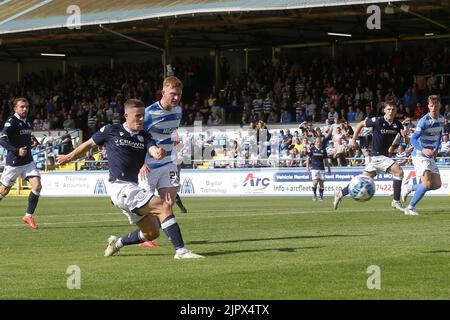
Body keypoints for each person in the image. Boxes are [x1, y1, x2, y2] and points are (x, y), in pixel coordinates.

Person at [56, 99, 203, 259]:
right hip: (121, 188)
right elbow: (88, 144)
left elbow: (152, 149)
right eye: (137, 116)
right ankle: (181, 251)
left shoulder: (144, 136)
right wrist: (69, 157)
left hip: (133, 188)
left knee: (152, 233)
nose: (141, 119)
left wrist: (158, 153)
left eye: (143, 116)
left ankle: (117, 243)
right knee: (164, 206)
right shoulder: (111, 130)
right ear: (126, 115)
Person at [139, 76, 195, 250]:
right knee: (147, 206)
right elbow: (138, 138)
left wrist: (174, 144)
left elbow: (171, 132)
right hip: (148, 165)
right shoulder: (149, 113)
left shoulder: (178, 111)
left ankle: (178, 246)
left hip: (168, 163)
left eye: (179, 94)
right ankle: (146, 236)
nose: (176, 98)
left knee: (168, 203)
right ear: (163, 92)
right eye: (172, 94)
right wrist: (140, 163)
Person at [333, 100, 409, 213]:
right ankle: (396, 201)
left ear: (396, 111)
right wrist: (353, 139)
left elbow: (407, 141)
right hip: (377, 156)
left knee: (363, 180)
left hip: (380, 158)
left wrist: (405, 136)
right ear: (384, 110)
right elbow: (360, 124)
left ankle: (340, 193)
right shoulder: (377, 120)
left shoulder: (397, 124)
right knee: (399, 172)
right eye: (388, 109)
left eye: (393, 109)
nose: (391, 111)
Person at [0, 98, 41, 229]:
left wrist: (32, 143)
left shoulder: (27, 122)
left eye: (27, 107)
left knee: (37, 186)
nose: (25, 109)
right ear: (15, 108)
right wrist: (16, 150)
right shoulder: (11, 122)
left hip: (28, 162)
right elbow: (2, 139)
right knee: (4, 191)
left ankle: (28, 215)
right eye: (22, 107)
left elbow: (25, 139)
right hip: (14, 163)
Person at [401, 95, 445, 215]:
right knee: (427, 183)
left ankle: (410, 187)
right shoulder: (424, 121)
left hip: (430, 155)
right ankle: (409, 208)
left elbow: (439, 134)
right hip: (419, 154)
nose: (434, 108)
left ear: (440, 105)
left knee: (436, 185)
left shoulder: (442, 119)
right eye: (431, 106)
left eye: (436, 105)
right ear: (428, 106)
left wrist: (436, 149)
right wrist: (423, 149)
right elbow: (413, 139)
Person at [306, 137, 331, 201]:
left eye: (320, 142)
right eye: (317, 142)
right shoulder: (312, 149)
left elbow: (326, 160)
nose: (319, 143)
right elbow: (308, 158)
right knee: (315, 182)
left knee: (321, 183)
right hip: (314, 168)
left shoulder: (323, 149)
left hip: (322, 168)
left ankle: (321, 195)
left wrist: (329, 168)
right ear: (315, 142)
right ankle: (314, 195)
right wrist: (307, 167)